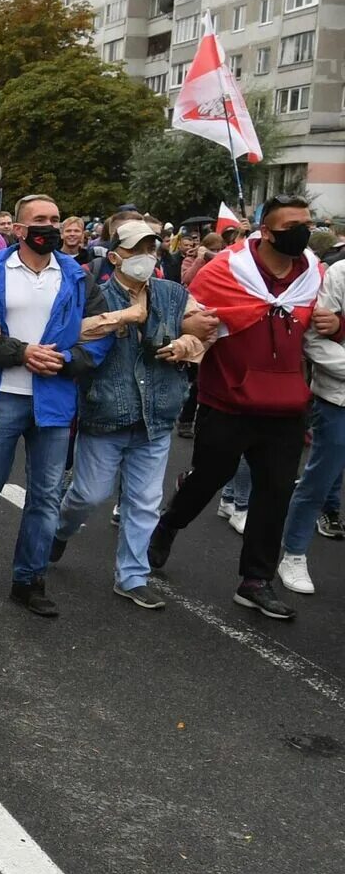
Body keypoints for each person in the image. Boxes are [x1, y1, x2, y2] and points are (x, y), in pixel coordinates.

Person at [150, 195, 322, 619]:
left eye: (306, 223)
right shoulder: (225, 269)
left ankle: (255, 580)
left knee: (275, 491)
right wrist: (189, 324)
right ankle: (170, 523)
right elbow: (184, 313)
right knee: (210, 477)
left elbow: (327, 324)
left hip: (285, 405)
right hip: (227, 399)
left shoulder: (314, 275)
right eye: (291, 226)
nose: (302, 232)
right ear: (265, 231)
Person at [0, 195, 111, 617]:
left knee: (46, 495)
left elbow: (101, 333)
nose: (51, 226)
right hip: (1, 395)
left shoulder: (78, 277)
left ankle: (29, 579)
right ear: (18, 229)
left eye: (56, 219)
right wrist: (19, 353)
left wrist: (69, 361)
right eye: (41, 220)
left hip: (54, 401)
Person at [48, 221, 219, 608]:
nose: (145, 257)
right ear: (113, 257)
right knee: (88, 494)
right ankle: (59, 531)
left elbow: (207, 330)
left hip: (156, 417)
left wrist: (185, 344)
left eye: (150, 248)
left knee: (144, 501)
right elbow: (73, 333)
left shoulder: (175, 293)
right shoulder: (95, 294)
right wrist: (127, 316)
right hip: (107, 412)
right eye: (134, 249)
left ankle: (132, 576)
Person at [277, 248, 345, 595]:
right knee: (319, 480)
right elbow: (315, 340)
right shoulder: (339, 274)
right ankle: (294, 552)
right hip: (338, 400)